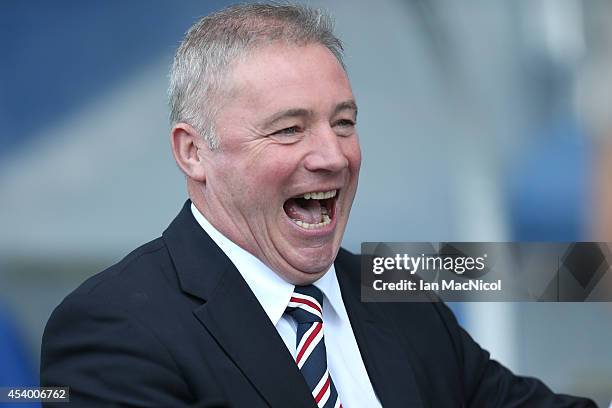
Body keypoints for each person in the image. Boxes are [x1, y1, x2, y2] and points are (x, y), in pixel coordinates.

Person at [41, 3, 596, 407]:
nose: (332, 155)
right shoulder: (115, 327)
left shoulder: (401, 299)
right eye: (289, 129)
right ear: (193, 152)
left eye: (344, 123)